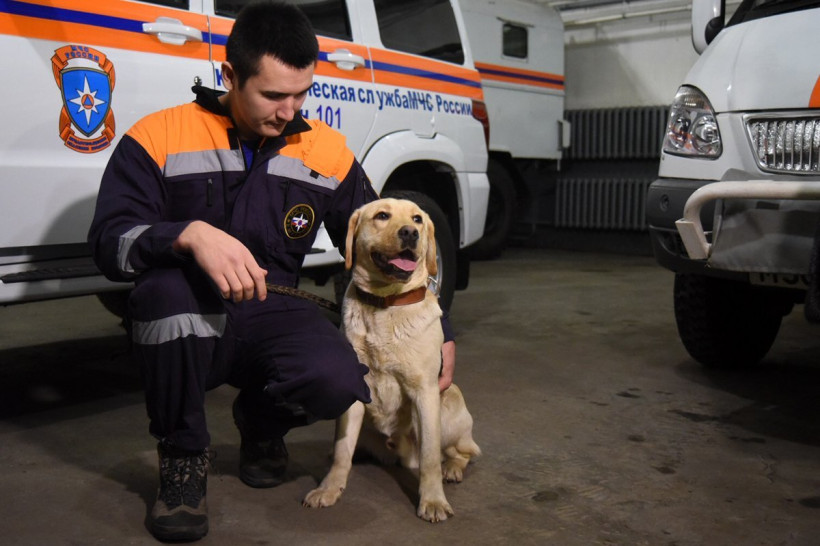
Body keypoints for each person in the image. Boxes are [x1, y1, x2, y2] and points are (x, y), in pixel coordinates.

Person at [87, 1, 455, 541]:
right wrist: (187, 234)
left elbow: (385, 239)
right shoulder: (159, 135)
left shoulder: (323, 150)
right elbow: (108, 241)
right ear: (230, 76)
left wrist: (438, 325)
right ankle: (183, 459)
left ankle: (262, 424)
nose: (289, 111)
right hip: (190, 307)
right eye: (274, 95)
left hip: (272, 306)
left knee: (340, 377)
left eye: (301, 94)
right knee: (164, 301)